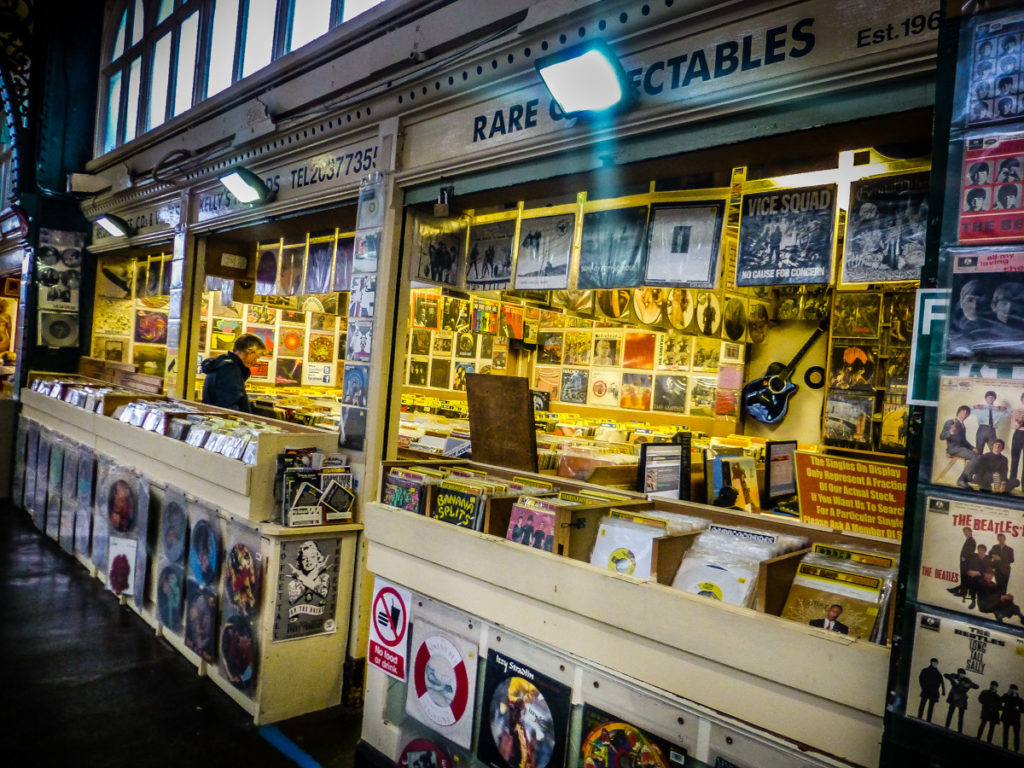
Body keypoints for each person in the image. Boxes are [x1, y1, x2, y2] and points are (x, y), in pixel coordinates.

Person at [200, 333, 267, 413]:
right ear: (249, 351)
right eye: (256, 357)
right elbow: (229, 408)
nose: (255, 361)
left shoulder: (223, 364)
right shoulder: (230, 370)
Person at [947, 280, 988, 357]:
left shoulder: (993, 330)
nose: (975, 306)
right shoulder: (951, 334)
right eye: (970, 300)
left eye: (980, 301)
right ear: (962, 302)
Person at [971, 391, 1008, 455]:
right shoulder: (980, 408)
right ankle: (978, 464)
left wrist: (1005, 409)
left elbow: (1010, 413)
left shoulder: (998, 410)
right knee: (978, 452)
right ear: (986, 399)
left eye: (992, 397)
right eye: (988, 397)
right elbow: (967, 410)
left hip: (992, 431)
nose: (990, 399)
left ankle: (992, 464)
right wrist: (974, 406)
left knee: (995, 452)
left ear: (994, 399)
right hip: (982, 430)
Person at [944, 668, 980, 733]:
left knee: (961, 716)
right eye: (961, 674)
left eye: (963, 674)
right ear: (958, 673)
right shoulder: (954, 676)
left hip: (962, 698)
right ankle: (946, 727)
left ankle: (960, 731)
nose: (962, 675)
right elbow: (946, 675)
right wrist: (954, 679)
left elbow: (976, 686)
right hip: (954, 697)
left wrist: (969, 685)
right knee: (950, 713)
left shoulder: (966, 680)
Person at [948, 525, 977, 599]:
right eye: (964, 532)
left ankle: (962, 593)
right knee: (963, 578)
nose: (966, 533)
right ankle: (959, 590)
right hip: (963, 562)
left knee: (964, 578)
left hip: (966, 563)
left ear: (971, 532)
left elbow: (971, 552)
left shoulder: (972, 541)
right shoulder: (968, 540)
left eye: (967, 531)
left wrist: (965, 558)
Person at [1002, 683, 1023, 751]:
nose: (1012, 690)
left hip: (1015, 719)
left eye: (1014, 689)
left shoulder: (1020, 700)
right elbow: (1000, 701)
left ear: (1016, 691)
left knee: (1016, 734)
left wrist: (1019, 709)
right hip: (1007, 717)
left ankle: (1016, 749)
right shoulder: (1006, 696)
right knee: (1005, 733)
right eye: (1011, 689)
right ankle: (1005, 747)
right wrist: (1007, 694)